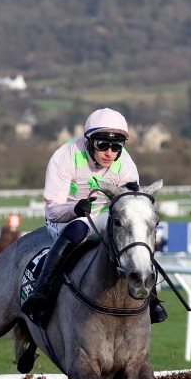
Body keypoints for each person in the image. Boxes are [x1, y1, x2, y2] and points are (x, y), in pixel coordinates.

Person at [20, 108, 167, 323]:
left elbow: (130, 203)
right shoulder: (64, 157)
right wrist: (75, 210)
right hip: (65, 218)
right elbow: (53, 209)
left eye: (116, 147)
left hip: (105, 215)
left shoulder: (125, 164)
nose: (110, 153)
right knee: (78, 227)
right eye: (102, 145)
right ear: (89, 141)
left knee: (134, 229)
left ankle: (151, 297)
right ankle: (41, 292)